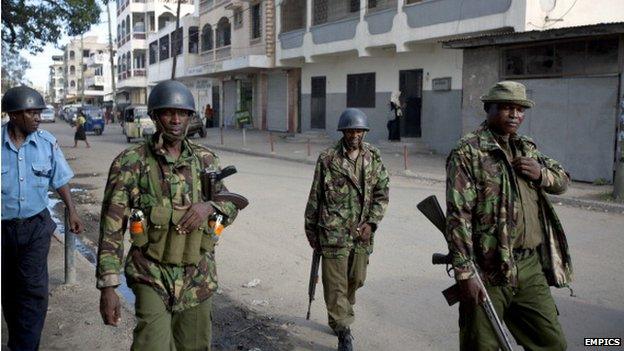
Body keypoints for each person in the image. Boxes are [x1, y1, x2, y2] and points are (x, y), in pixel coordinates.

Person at [97, 80, 240, 351]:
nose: (176, 119)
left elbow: (230, 205)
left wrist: (209, 208)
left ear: (190, 117)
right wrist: (108, 286)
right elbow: (111, 227)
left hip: (198, 276)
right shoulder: (130, 162)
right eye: (168, 112)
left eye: (183, 113)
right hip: (150, 273)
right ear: (154, 116)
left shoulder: (205, 160)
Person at [445, 81, 571, 351]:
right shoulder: (468, 152)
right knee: (482, 346)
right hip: (488, 269)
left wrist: (541, 174)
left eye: (520, 109)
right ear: (488, 109)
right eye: (506, 107)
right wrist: (465, 274)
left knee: (553, 343)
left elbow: (562, 181)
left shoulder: (526, 148)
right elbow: (459, 217)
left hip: (529, 265)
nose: (515, 114)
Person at [1, 85, 84, 351]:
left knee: (33, 291)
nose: (38, 117)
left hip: (36, 228)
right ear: (13, 115)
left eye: (39, 112)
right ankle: (19, 339)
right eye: (31, 112)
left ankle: (25, 346)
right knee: (9, 291)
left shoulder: (47, 143)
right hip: (2, 230)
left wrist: (71, 210)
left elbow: (60, 180)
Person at [304, 108, 390, 351]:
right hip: (332, 234)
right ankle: (344, 331)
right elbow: (315, 196)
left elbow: (382, 193)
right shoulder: (328, 158)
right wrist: (311, 230)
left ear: (364, 132)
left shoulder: (373, 156)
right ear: (343, 132)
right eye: (350, 130)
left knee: (356, 280)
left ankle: (339, 313)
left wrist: (372, 223)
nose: (355, 135)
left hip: (361, 235)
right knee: (336, 286)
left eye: (359, 131)